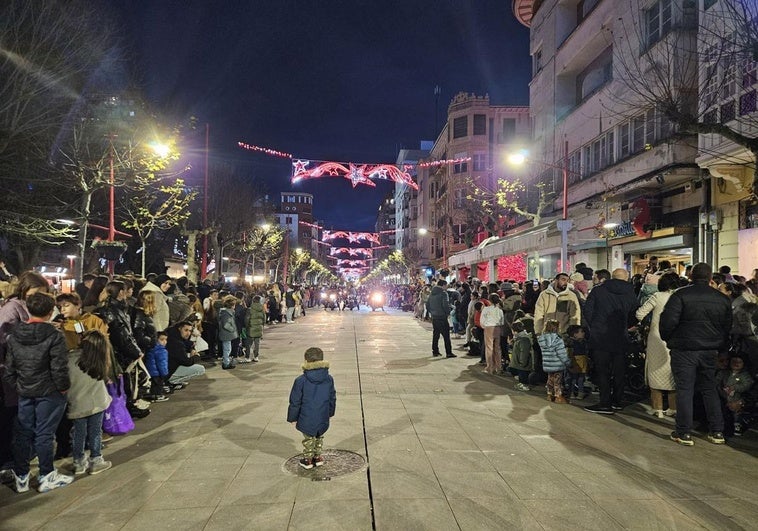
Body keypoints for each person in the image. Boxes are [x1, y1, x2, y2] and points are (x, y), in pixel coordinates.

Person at [3, 292, 72, 493]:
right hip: (50, 391)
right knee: (44, 434)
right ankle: (46, 475)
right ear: (51, 312)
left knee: (23, 432)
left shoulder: (15, 334)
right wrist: (63, 387)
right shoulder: (54, 335)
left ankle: (21, 476)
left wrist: (19, 385)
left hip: (25, 390)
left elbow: (9, 369)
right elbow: (59, 367)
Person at [660, 262, 732, 446]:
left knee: (685, 390)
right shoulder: (722, 299)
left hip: (684, 349)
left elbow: (668, 322)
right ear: (710, 278)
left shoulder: (681, 295)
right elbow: (727, 327)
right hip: (710, 350)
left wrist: (669, 339)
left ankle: (684, 432)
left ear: (691, 276)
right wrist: (722, 349)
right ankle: (717, 431)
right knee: (709, 389)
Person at [583, 269, 639, 415]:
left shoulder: (598, 291)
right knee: (620, 371)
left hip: (600, 337)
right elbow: (635, 314)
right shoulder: (630, 293)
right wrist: (626, 327)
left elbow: (588, 311)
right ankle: (617, 401)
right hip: (621, 336)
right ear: (626, 278)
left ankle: (604, 402)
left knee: (602, 371)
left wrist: (595, 326)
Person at [66, 330, 113, 476]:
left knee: (78, 433)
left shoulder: (70, 359)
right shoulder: (100, 360)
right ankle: (96, 460)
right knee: (95, 432)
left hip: (77, 403)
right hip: (97, 402)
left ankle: (78, 462)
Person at [636, 272, 680, 418]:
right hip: (675, 338)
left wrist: (647, 324)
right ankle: (673, 408)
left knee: (655, 372)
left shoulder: (657, 296)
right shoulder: (679, 297)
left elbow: (640, 314)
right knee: (671, 372)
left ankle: (658, 409)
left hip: (656, 338)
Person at [287, 347, 336, 470]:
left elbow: (295, 401)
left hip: (306, 416)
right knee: (319, 435)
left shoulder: (301, 380)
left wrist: (292, 417)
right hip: (323, 414)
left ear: (306, 361)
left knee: (308, 438)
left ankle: (308, 459)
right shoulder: (329, 379)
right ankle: (318, 457)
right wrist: (330, 412)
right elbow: (332, 397)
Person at [538, 319, 571, 403]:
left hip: (548, 363)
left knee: (550, 379)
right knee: (557, 381)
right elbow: (562, 354)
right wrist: (568, 362)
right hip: (557, 364)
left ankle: (549, 394)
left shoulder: (542, 339)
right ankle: (558, 396)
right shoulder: (558, 340)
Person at [426, 280, 455, 358]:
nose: (446, 287)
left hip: (434, 316)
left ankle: (435, 351)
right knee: (446, 335)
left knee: (436, 334)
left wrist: (431, 312)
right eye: (446, 285)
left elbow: (427, 304)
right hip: (442, 317)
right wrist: (447, 313)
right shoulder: (443, 293)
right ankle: (448, 352)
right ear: (443, 285)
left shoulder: (431, 293)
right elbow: (445, 304)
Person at [480, 294, 505, 374]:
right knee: (497, 348)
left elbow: (482, 321)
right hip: (497, 328)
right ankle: (499, 368)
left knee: (489, 348)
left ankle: (490, 368)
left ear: (489, 300)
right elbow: (502, 321)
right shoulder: (499, 310)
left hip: (488, 328)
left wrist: (484, 326)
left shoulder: (486, 309)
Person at [565, 324, 589, 400]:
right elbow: (569, 353)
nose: (583, 333)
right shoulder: (571, 342)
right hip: (575, 361)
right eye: (581, 332)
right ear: (574, 334)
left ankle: (580, 393)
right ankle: (571, 392)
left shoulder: (584, 342)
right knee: (573, 378)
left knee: (581, 378)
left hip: (582, 361)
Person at [144, 331, 170, 402]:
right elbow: (162, 363)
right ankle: (157, 396)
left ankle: (153, 396)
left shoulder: (151, 349)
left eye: (166, 339)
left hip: (150, 372)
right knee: (158, 385)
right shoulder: (161, 350)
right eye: (162, 339)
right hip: (157, 372)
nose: (165, 342)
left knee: (154, 385)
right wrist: (165, 373)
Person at [509, 320, 533, 391]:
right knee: (520, 373)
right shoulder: (519, 338)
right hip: (520, 363)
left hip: (523, 364)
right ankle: (521, 383)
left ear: (515, 331)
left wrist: (522, 362)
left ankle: (524, 385)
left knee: (523, 374)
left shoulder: (524, 339)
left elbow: (524, 352)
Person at [217, 295, 239, 370]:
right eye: (234, 304)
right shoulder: (226, 313)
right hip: (226, 333)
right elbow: (226, 325)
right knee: (227, 349)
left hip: (226, 333)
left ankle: (226, 362)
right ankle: (226, 363)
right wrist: (233, 329)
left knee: (227, 348)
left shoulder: (226, 312)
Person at [245, 295, 266, 362]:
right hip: (259, 328)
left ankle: (247, 357)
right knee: (257, 344)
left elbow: (247, 319)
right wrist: (262, 325)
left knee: (248, 344)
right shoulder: (262, 309)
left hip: (251, 328)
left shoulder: (250, 309)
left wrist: (246, 326)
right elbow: (264, 319)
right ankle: (256, 357)